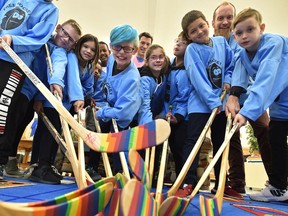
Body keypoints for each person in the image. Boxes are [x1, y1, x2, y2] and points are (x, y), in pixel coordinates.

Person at [175, 10, 241, 198]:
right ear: (188, 36)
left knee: (221, 143)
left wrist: (228, 80)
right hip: (200, 105)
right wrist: (212, 102)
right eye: (193, 31)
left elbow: (230, 65)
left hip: (221, 103)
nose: (199, 32)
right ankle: (188, 181)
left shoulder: (221, 42)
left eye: (201, 26)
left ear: (208, 24)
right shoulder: (192, 50)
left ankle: (221, 183)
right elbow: (197, 78)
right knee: (193, 141)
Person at [226, 7, 288, 202]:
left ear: (261, 28)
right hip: (281, 107)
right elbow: (239, 76)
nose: (244, 36)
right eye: (239, 33)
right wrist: (234, 96)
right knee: (275, 141)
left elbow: (265, 80)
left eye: (250, 30)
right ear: (234, 36)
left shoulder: (274, 44)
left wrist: (246, 113)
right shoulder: (242, 54)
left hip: (281, 99)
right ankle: (278, 187)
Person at [213, 1, 272, 194]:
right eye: (220, 18)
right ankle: (237, 183)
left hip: (252, 96)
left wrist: (236, 94)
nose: (225, 21)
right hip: (223, 101)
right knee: (230, 140)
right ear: (213, 22)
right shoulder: (210, 45)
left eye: (229, 17)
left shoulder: (242, 40)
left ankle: (278, 181)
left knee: (265, 134)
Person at [0, 0, 59, 179]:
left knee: (3, 109)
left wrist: (13, 40)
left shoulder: (51, 10)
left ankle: (0, 159)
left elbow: (38, 38)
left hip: (15, 61)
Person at [29, 19, 83, 184]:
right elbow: (47, 74)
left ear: (74, 44)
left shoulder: (65, 52)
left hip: (58, 101)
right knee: (46, 133)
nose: (66, 39)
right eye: (65, 33)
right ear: (59, 28)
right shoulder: (48, 45)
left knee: (53, 134)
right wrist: (39, 97)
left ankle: (46, 165)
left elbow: (65, 73)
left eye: (71, 39)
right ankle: (40, 167)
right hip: (47, 98)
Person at [96, 24, 142, 174]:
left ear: (134, 50)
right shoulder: (111, 59)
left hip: (127, 115)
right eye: (117, 47)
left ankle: (123, 174)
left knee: (119, 145)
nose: (121, 53)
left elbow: (123, 114)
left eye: (127, 48)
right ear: (111, 47)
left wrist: (102, 112)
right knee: (99, 137)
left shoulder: (132, 79)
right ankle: (93, 168)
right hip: (112, 108)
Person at [160, 32, 190, 179]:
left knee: (179, 149)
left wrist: (178, 115)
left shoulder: (185, 71)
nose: (177, 44)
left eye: (182, 43)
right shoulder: (169, 66)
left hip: (180, 118)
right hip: (167, 115)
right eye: (177, 41)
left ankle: (182, 180)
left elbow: (184, 97)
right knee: (171, 147)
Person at [72, 33, 102, 182]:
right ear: (79, 46)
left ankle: (87, 167)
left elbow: (89, 88)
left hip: (80, 102)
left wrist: (85, 95)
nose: (88, 51)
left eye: (92, 50)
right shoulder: (71, 59)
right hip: (66, 100)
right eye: (86, 47)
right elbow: (72, 81)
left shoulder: (90, 67)